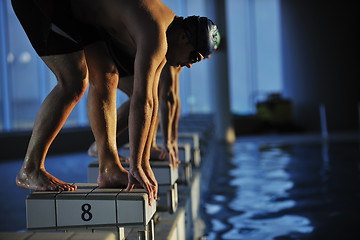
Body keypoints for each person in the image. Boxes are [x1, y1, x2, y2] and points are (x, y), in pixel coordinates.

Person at [12, 0, 218, 204]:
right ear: (183, 37)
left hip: (79, 14)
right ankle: (30, 169)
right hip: (49, 4)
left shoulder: (165, 31)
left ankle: (109, 167)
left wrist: (143, 161)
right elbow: (142, 100)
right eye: (195, 57)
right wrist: (137, 165)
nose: (190, 65)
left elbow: (153, 100)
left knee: (108, 76)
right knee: (74, 81)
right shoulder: (156, 34)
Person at [88, 29, 220, 168]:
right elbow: (166, 97)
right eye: (202, 55)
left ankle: (148, 145)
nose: (208, 58)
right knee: (148, 95)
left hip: (122, 52)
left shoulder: (181, 53)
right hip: (109, 47)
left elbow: (173, 97)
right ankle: (100, 145)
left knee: (151, 93)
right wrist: (167, 142)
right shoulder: (169, 46)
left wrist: (172, 139)